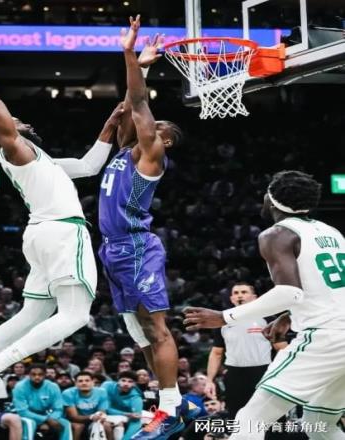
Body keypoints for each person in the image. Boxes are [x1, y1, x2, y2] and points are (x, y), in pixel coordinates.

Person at [0, 20, 124, 417]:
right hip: (61, 232)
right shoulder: (16, 150)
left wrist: (110, 124)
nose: (24, 123)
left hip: (40, 235)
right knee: (76, 315)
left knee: (35, 312)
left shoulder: (43, 162)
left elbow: (89, 166)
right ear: (5, 131)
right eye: (16, 122)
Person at [184, 171, 345, 440]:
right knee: (320, 423)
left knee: (249, 422)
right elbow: (331, 290)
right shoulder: (332, 232)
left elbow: (289, 292)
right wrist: (288, 316)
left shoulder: (277, 234)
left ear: (271, 199)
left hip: (325, 339)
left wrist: (224, 316)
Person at [98, 16, 196, 440]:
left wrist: (130, 55)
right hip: (112, 248)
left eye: (158, 127)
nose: (150, 126)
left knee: (156, 330)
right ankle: (172, 403)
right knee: (140, 336)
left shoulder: (151, 155)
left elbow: (139, 104)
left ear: (165, 141)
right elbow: (128, 107)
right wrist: (141, 66)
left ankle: (170, 408)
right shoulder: (126, 149)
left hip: (137, 247)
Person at [206, 283, 273, 419]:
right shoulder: (222, 322)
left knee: (269, 414)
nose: (240, 295)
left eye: (244, 292)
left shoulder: (268, 319)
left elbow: (282, 348)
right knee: (236, 415)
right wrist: (209, 380)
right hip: (234, 374)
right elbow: (216, 353)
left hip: (264, 372)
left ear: (254, 297)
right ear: (232, 299)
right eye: (236, 293)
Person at [13, 364, 71, 440]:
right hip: (26, 416)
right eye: (33, 374)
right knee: (30, 423)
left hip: (47, 415)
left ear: (45, 375)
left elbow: (58, 408)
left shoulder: (53, 386)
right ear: (28, 375)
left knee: (66, 423)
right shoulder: (20, 387)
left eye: (40, 374)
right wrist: (46, 420)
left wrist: (51, 419)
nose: (37, 377)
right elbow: (22, 411)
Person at [62, 371, 112, 440]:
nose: (84, 383)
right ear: (75, 383)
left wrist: (99, 416)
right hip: (75, 421)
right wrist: (91, 417)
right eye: (80, 381)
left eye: (87, 380)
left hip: (94, 420)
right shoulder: (68, 393)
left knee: (106, 425)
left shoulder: (102, 392)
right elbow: (73, 416)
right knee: (79, 427)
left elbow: (102, 412)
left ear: (93, 382)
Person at [102, 371, 143, 440]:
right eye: (123, 380)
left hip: (124, 418)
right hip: (104, 414)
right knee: (106, 425)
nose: (126, 384)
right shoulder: (107, 386)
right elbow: (105, 408)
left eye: (130, 382)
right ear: (118, 381)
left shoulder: (137, 398)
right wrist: (127, 414)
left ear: (134, 384)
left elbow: (136, 421)